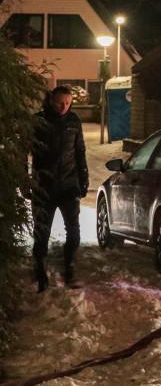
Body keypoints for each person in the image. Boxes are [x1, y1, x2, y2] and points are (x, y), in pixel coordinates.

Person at [30, 85, 88, 291]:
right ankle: (40, 271)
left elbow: (80, 151)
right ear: (51, 100)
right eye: (59, 103)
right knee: (41, 232)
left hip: (68, 185)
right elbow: (24, 152)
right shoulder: (38, 121)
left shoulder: (73, 121)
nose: (64, 107)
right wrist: (27, 182)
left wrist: (84, 179)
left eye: (68, 103)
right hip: (44, 187)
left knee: (73, 231)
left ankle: (69, 267)